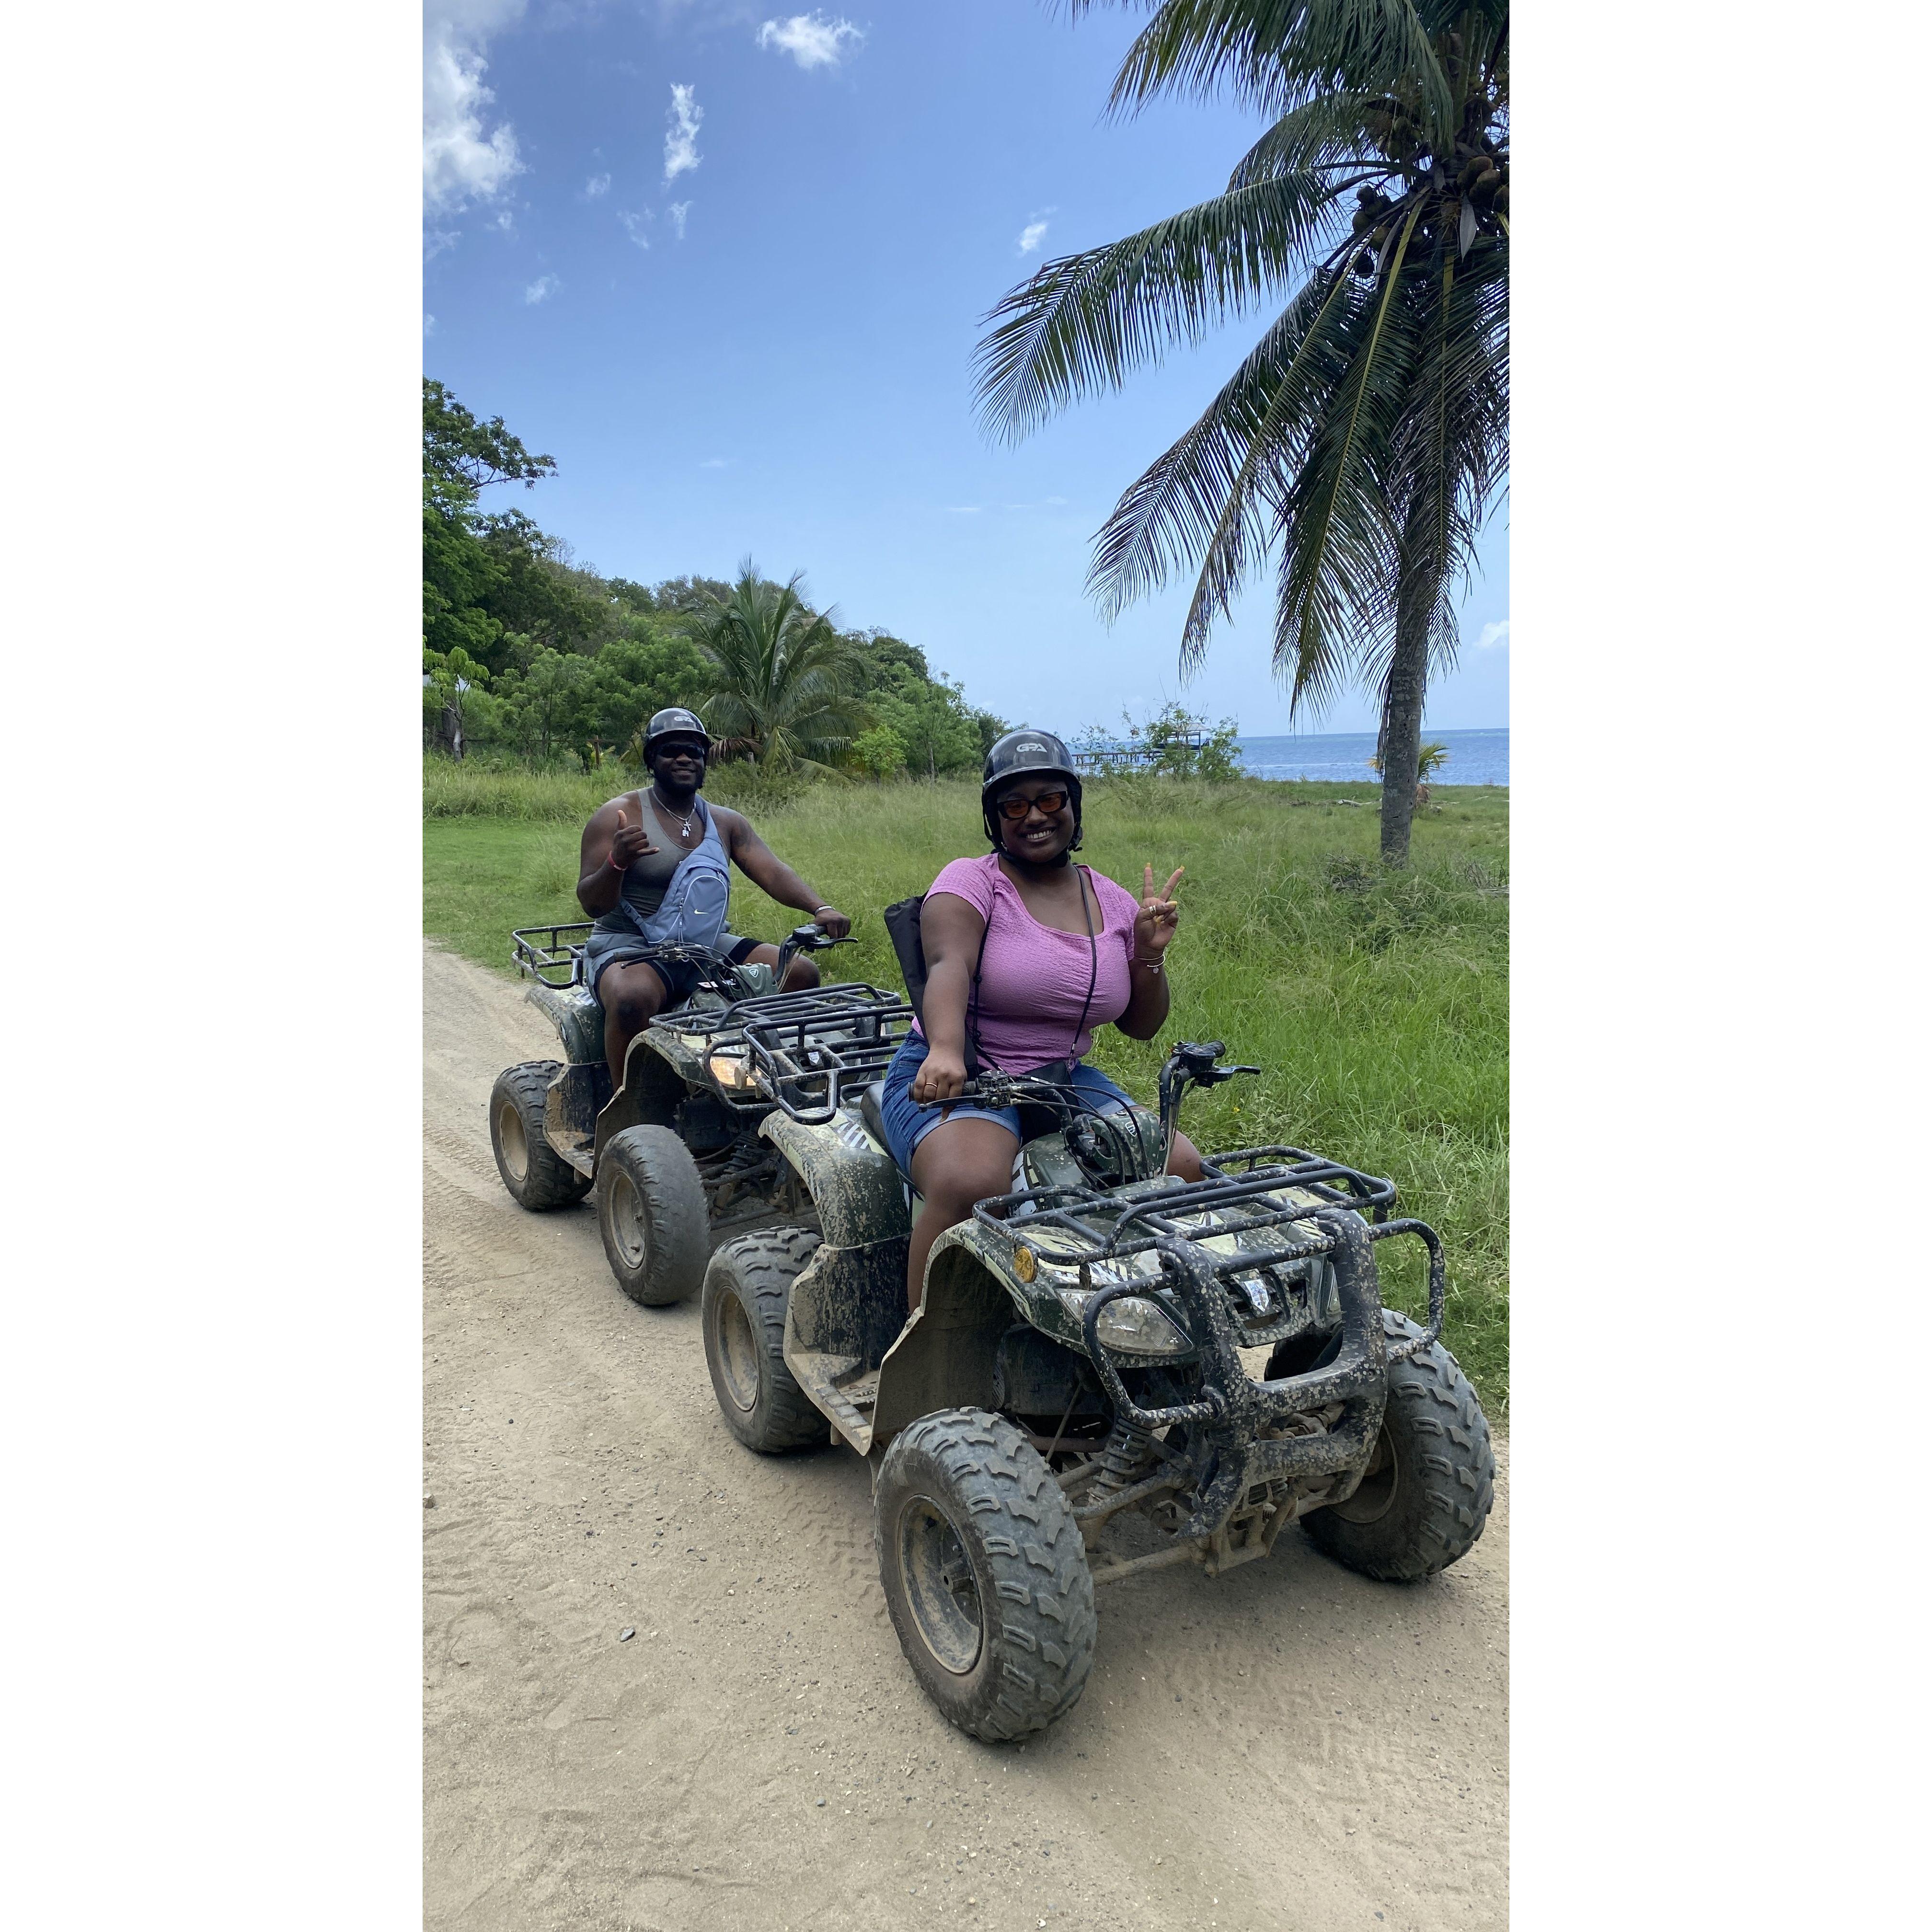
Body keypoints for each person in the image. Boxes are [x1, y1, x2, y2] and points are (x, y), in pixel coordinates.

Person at [875, 726, 1197, 1312]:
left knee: (1179, 1166)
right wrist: (945, 1049)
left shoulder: (1115, 901)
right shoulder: (972, 881)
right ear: (994, 818)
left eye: (1050, 800)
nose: (1034, 817)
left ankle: (1150, 1315)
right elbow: (948, 964)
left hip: (1062, 1081)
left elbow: (1141, 1027)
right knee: (970, 1182)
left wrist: (1149, 953)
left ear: (1073, 806)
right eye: (1014, 806)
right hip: (965, 1072)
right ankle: (925, 1336)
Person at [576, 707, 851, 1086]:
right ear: (652, 761)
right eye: (671, 750)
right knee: (632, 1000)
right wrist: (616, 861)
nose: (685, 758)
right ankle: (627, 1101)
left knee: (799, 973)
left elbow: (771, 870)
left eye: (694, 750)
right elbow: (592, 903)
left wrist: (819, 907)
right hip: (631, 945)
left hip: (704, 944)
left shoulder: (725, 822)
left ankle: (771, 1078)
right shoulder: (619, 815)